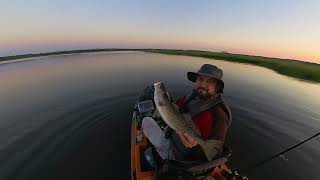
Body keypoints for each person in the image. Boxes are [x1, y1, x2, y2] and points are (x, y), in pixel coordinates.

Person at [142, 64, 232, 162]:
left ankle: (162, 154)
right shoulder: (191, 97)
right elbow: (172, 109)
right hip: (171, 135)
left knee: (146, 121)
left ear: (217, 87)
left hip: (178, 156)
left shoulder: (219, 116)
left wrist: (195, 147)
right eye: (200, 79)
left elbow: (214, 155)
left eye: (209, 81)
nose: (202, 84)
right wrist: (164, 102)